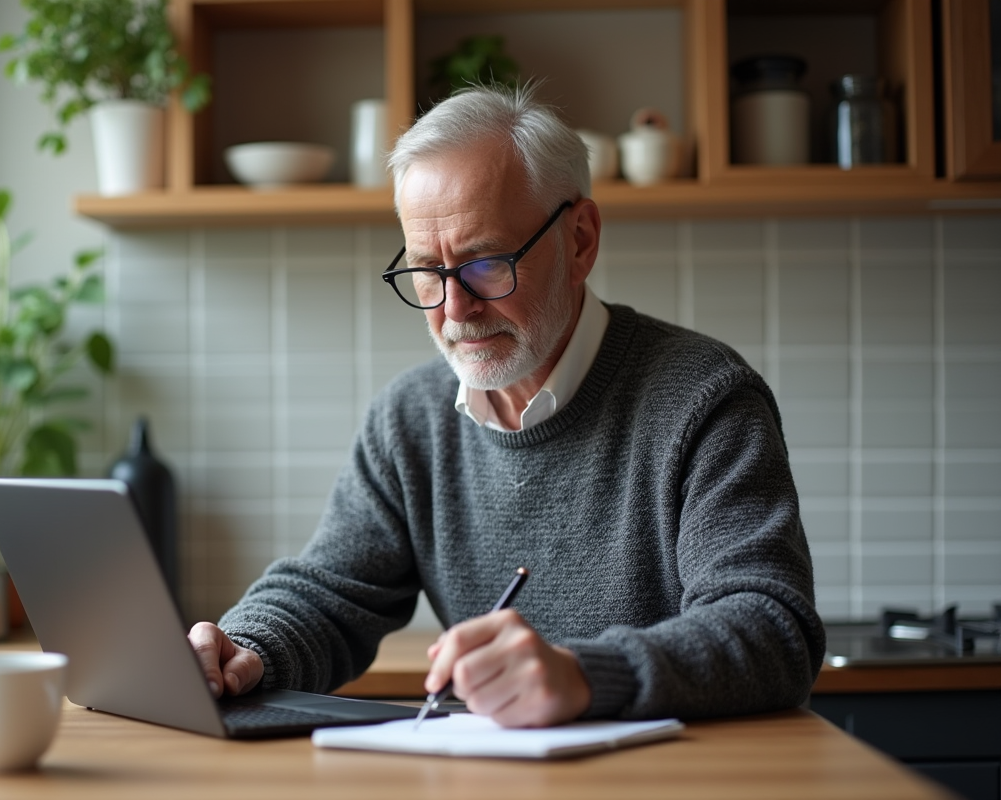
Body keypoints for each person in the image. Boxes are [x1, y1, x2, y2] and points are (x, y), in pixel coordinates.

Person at [189, 85, 825, 728]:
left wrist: (583, 677)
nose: (455, 309)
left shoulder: (704, 398)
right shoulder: (410, 419)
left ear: (579, 240)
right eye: (427, 271)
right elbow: (330, 594)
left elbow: (773, 629)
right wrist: (246, 650)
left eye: (486, 264)